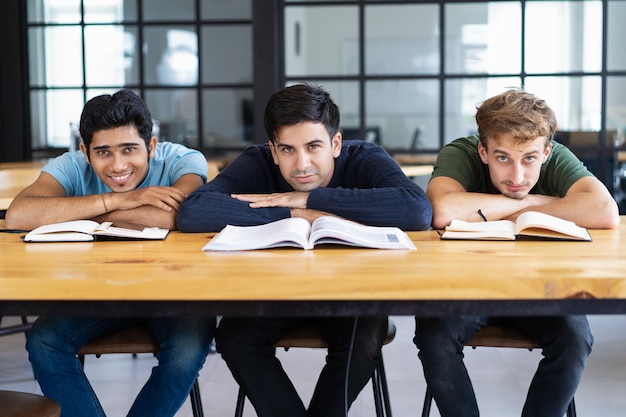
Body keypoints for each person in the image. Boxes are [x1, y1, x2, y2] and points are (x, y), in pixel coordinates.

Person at [177, 83, 432, 417]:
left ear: (335, 143)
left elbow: (416, 210)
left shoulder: (365, 158)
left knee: (366, 333)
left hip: (350, 295)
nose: (302, 164)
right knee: (235, 337)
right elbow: (194, 211)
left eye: (313, 146)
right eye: (287, 150)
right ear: (273, 150)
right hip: (273, 293)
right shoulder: (257, 162)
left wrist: (310, 198)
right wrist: (295, 214)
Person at [6, 89, 216, 417]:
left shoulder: (183, 161)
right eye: (103, 152)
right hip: (94, 293)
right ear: (84, 151)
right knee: (44, 342)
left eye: (129, 149)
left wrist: (81, 212)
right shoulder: (71, 166)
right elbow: (19, 215)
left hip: (173, 292)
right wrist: (120, 200)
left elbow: (179, 216)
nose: (118, 165)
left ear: (151, 145)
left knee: (187, 350)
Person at [415, 89, 620, 417]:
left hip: (541, 289)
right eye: (502, 158)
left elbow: (604, 212)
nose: (517, 176)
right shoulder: (461, 153)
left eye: (529, 159)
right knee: (434, 337)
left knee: (575, 338)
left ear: (546, 152)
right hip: (466, 286)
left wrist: (488, 209)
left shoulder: (556, 155)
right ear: (483, 150)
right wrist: (530, 203)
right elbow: (442, 209)